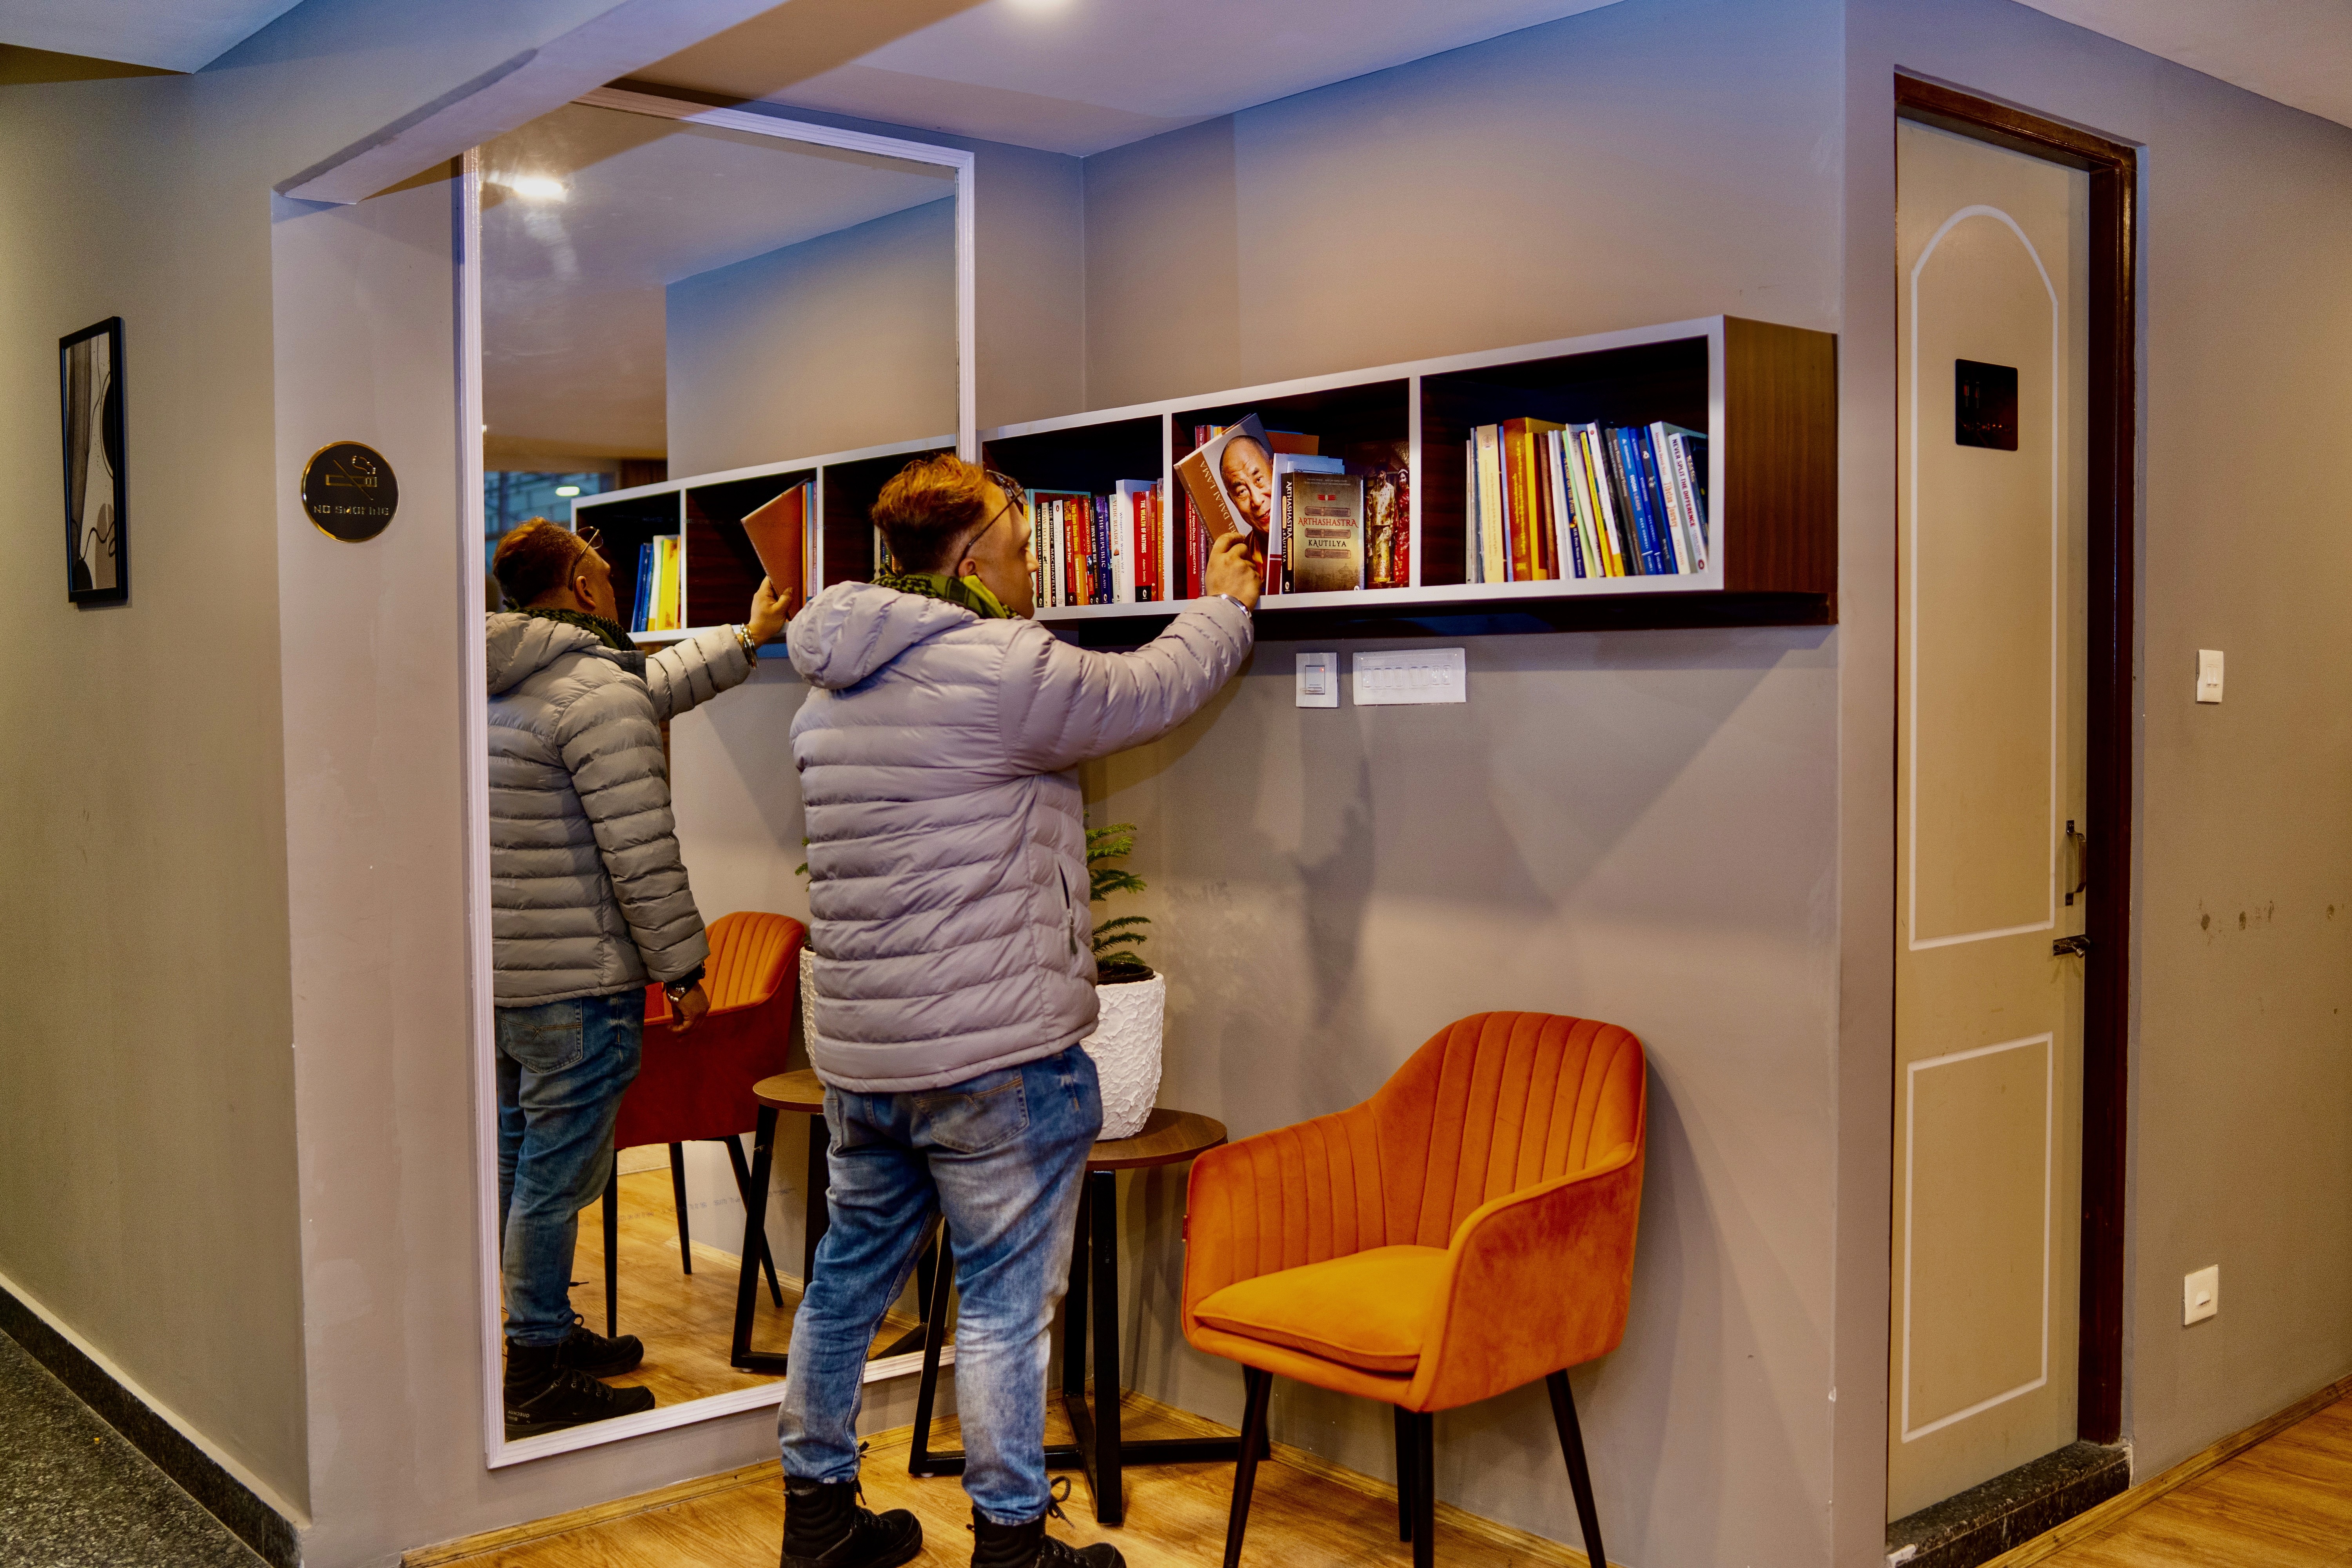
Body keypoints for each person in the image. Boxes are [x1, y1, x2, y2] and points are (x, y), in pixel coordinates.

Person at [774, 457, 1260, 1568]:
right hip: (996, 1058)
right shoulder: (1000, 665)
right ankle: (1010, 1543)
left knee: (848, 1278)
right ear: (975, 553)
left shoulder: (830, 684)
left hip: (865, 1054)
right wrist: (1226, 605)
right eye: (1024, 541)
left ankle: (818, 1518)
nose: (1035, 562)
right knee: (1001, 1302)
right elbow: (1148, 690)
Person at [485, 518, 789, 1439]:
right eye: (607, 571)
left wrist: (745, 640)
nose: (616, 582)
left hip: (502, 980)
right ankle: (536, 1369)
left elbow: (642, 685)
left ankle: (532, 1332)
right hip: (580, 981)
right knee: (556, 1178)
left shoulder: (504, 681)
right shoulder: (594, 692)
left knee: (518, 1164)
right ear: (580, 586)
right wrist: (683, 969)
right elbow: (640, 850)